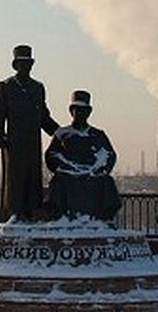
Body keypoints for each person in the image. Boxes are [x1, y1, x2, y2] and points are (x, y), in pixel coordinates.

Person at [0, 45, 59, 222]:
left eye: (28, 63)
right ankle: (15, 212)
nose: (25, 66)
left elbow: (44, 117)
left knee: (32, 177)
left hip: (33, 142)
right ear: (16, 65)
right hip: (13, 142)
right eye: (22, 63)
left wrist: (60, 133)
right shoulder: (6, 87)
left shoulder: (38, 88)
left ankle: (30, 212)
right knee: (15, 178)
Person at [45, 90, 122, 222]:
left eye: (83, 110)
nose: (80, 113)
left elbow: (108, 154)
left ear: (89, 112)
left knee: (107, 182)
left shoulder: (97, 134)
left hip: (92, 176)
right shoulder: (62, 134)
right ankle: (60, 217)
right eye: (77, 110)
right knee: (58, 183)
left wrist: (97, 169)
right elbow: (52, 155)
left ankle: (103, 219)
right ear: (71, 111)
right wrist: (66, 167)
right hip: (68, 176)